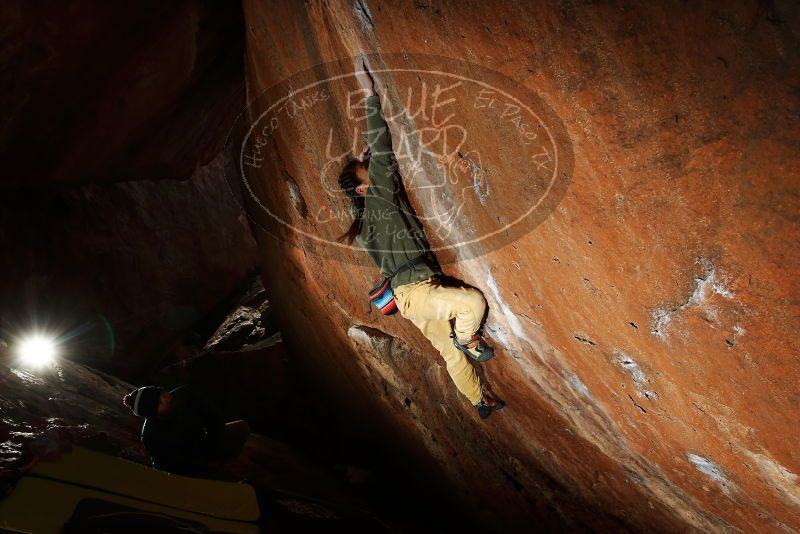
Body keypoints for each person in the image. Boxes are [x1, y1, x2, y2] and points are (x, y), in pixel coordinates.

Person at [338, 56, 505, 419]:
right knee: (471, 305)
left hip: (410, 299)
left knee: (449, 355)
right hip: (420, 293)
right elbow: (383, 146)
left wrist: (362, 164)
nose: (372, 165)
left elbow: (360, 192)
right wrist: (369, 94)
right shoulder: (377, 195)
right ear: (366, 184)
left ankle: (479, 401)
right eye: (365, 167)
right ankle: (469, 338)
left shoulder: (366, 222)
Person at [123, 385, 250, 477]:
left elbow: (214, 419)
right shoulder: (152, 436)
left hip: (207, 443)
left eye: (162, 393)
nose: (167, 397)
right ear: (154, 414)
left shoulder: (185, 395)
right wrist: (204, 466)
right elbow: (166, 466)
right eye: (160, 401)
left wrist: (213, 447)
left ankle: (225, 464)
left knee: (241, 428)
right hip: (191, 465)